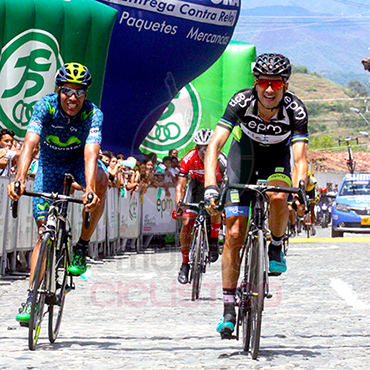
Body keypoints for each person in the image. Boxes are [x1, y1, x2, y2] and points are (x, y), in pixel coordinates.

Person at [204, 53, 308, 337]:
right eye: (264, 82)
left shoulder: (296, 110)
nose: (270, 89)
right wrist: (211, 186)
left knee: (277, 196)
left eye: (276, 83)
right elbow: (214, 146)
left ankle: (275, 246)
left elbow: (300, 159)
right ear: (256, 83)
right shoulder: (241, 102)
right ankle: (228, 308)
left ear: (285, 85)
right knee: (235, 234)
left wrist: (299, 189)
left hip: (276, 160)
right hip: (243, 159)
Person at [7, 62, 108, 325]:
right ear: (58, 90)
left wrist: (89, 189)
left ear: (86, 94)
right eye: (66, 91)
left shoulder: (93, 114)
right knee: (44, 234)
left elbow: (91, 152)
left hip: (78, 162)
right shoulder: (44, 106)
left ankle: (82, 247)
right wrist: (18, 179)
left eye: (79, 92)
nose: (73, 98)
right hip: (50, 164)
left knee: (101, 177)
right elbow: (29, 143)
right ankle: (31, 297)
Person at [173, 128, 227, 284]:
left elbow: (227, 184)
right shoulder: (189, 158)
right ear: (196, 148)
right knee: (187, 222)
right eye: (200, 148)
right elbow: (181, 187)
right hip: (196, 187)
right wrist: (179, 205)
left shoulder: (221, 159)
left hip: (215, 187)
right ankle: (184, 264)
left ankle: (214, 241)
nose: (204, 152)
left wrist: (223, 204)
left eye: (207, 147)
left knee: (215, 208)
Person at [306, 170, 318, 234]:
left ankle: (313, 225)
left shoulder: (312, 180)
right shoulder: (302, 180)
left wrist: (316, 196)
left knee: (312, 208)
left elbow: (316, 188)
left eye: (307, 177)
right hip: (304, 192)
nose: (306, 179)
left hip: (312, 192)